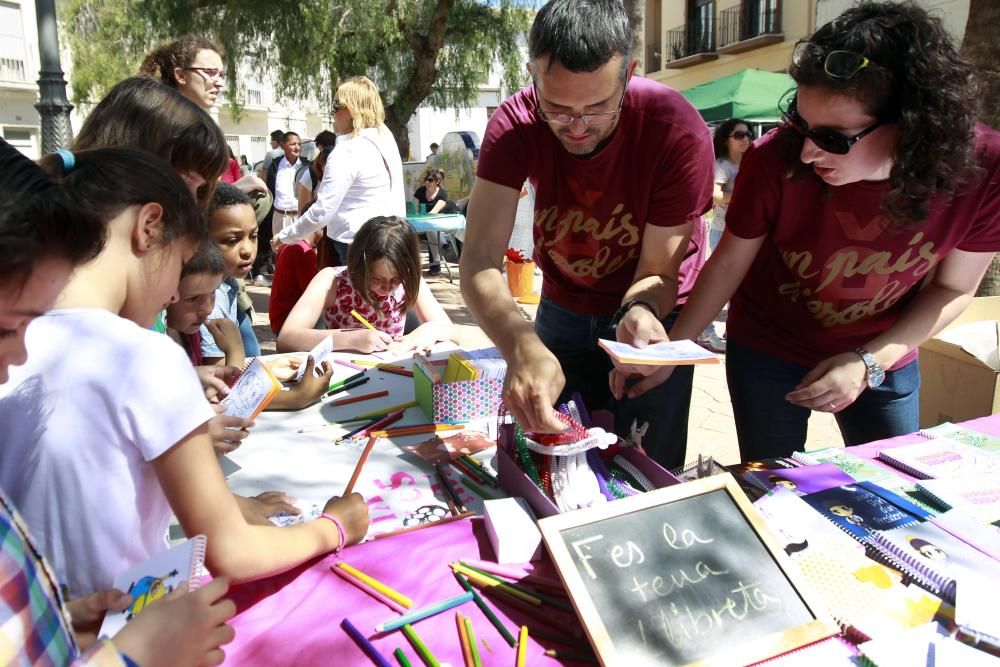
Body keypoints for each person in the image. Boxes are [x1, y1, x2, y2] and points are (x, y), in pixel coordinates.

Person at [0, 146, 370, 599]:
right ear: (148, 227)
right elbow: (232, 552)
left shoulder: (19, 336)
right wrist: (333, 528)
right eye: (180, 264)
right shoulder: (143, 356)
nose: (174, 295)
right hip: (129, 625)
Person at [647, 1, 1000, 462]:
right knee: (773, 486)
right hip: (768, 347)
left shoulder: (983, 168)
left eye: (833, 138)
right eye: (799, 123)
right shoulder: (775, 158)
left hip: (887, 351)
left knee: (889, 486)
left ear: (915, 125)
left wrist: (869, 361)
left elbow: (954, 287)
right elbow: (729, 262)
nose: (809, 153)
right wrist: (671, 353)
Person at [459, 0, 714, 469]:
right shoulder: (513, 125)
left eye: (597, 108)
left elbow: (658, 270)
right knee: (555, 457)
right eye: (556, 108)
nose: (576, 127)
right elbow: (477, 260)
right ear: (532, 74)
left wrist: (639, 310)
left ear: (629, 74)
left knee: (646, 464)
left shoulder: (675, 129)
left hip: (654, 317)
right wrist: (521, 345)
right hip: (563, 306)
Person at [272, 76, 406, 266]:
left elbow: (322, 211)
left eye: (336, 105)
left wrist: (285, 236)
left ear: (351, 108)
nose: (331, 112)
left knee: (355, 295)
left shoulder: (347, 149)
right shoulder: (385, 139)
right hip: (394, 241)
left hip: (357, 245)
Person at [278, 216, 458, 354]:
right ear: (358, 267)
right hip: (344, 373)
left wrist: (427, 331)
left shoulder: (411, 279)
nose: (388, 288)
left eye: (396, 279)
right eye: (376, 278)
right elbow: (287, 339)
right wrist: (351, 339)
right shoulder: (332, 280)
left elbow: (448, 328)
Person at [696, 118, 753, 355]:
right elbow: (715, 196)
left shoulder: (751, 162)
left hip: (748, 232)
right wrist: (745, 191)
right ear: (726, 139)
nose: (746, 138)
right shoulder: (723, 165)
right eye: (739, 135)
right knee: (721, 283)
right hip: (724, 230)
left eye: (748, 134)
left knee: (743, 284)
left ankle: (734, 330)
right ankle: (705, 332)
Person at [200, 184, 263, 361]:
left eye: (253, 236)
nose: (247, 250)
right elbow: (221, 375)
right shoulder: (209, 301)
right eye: (232, 240)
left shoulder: (227, 281)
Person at [269, 229, 322, 335]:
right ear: (317, 227)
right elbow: (316, 295)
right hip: (288, 321)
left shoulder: (291, 244)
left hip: (279, 317)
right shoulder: (303, 251)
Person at [413, 169, 461, 275]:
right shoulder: (420, 191)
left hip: (444, 220)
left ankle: (436, 263)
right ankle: (443, 246)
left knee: (431, 228)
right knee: (430, 228)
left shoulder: (442, 194)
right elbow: (414, 209)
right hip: (428, 223)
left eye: (430, 180)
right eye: (426, 180)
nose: (427, 182)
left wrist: (422, 216)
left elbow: (433, 212)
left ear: (437, 182)